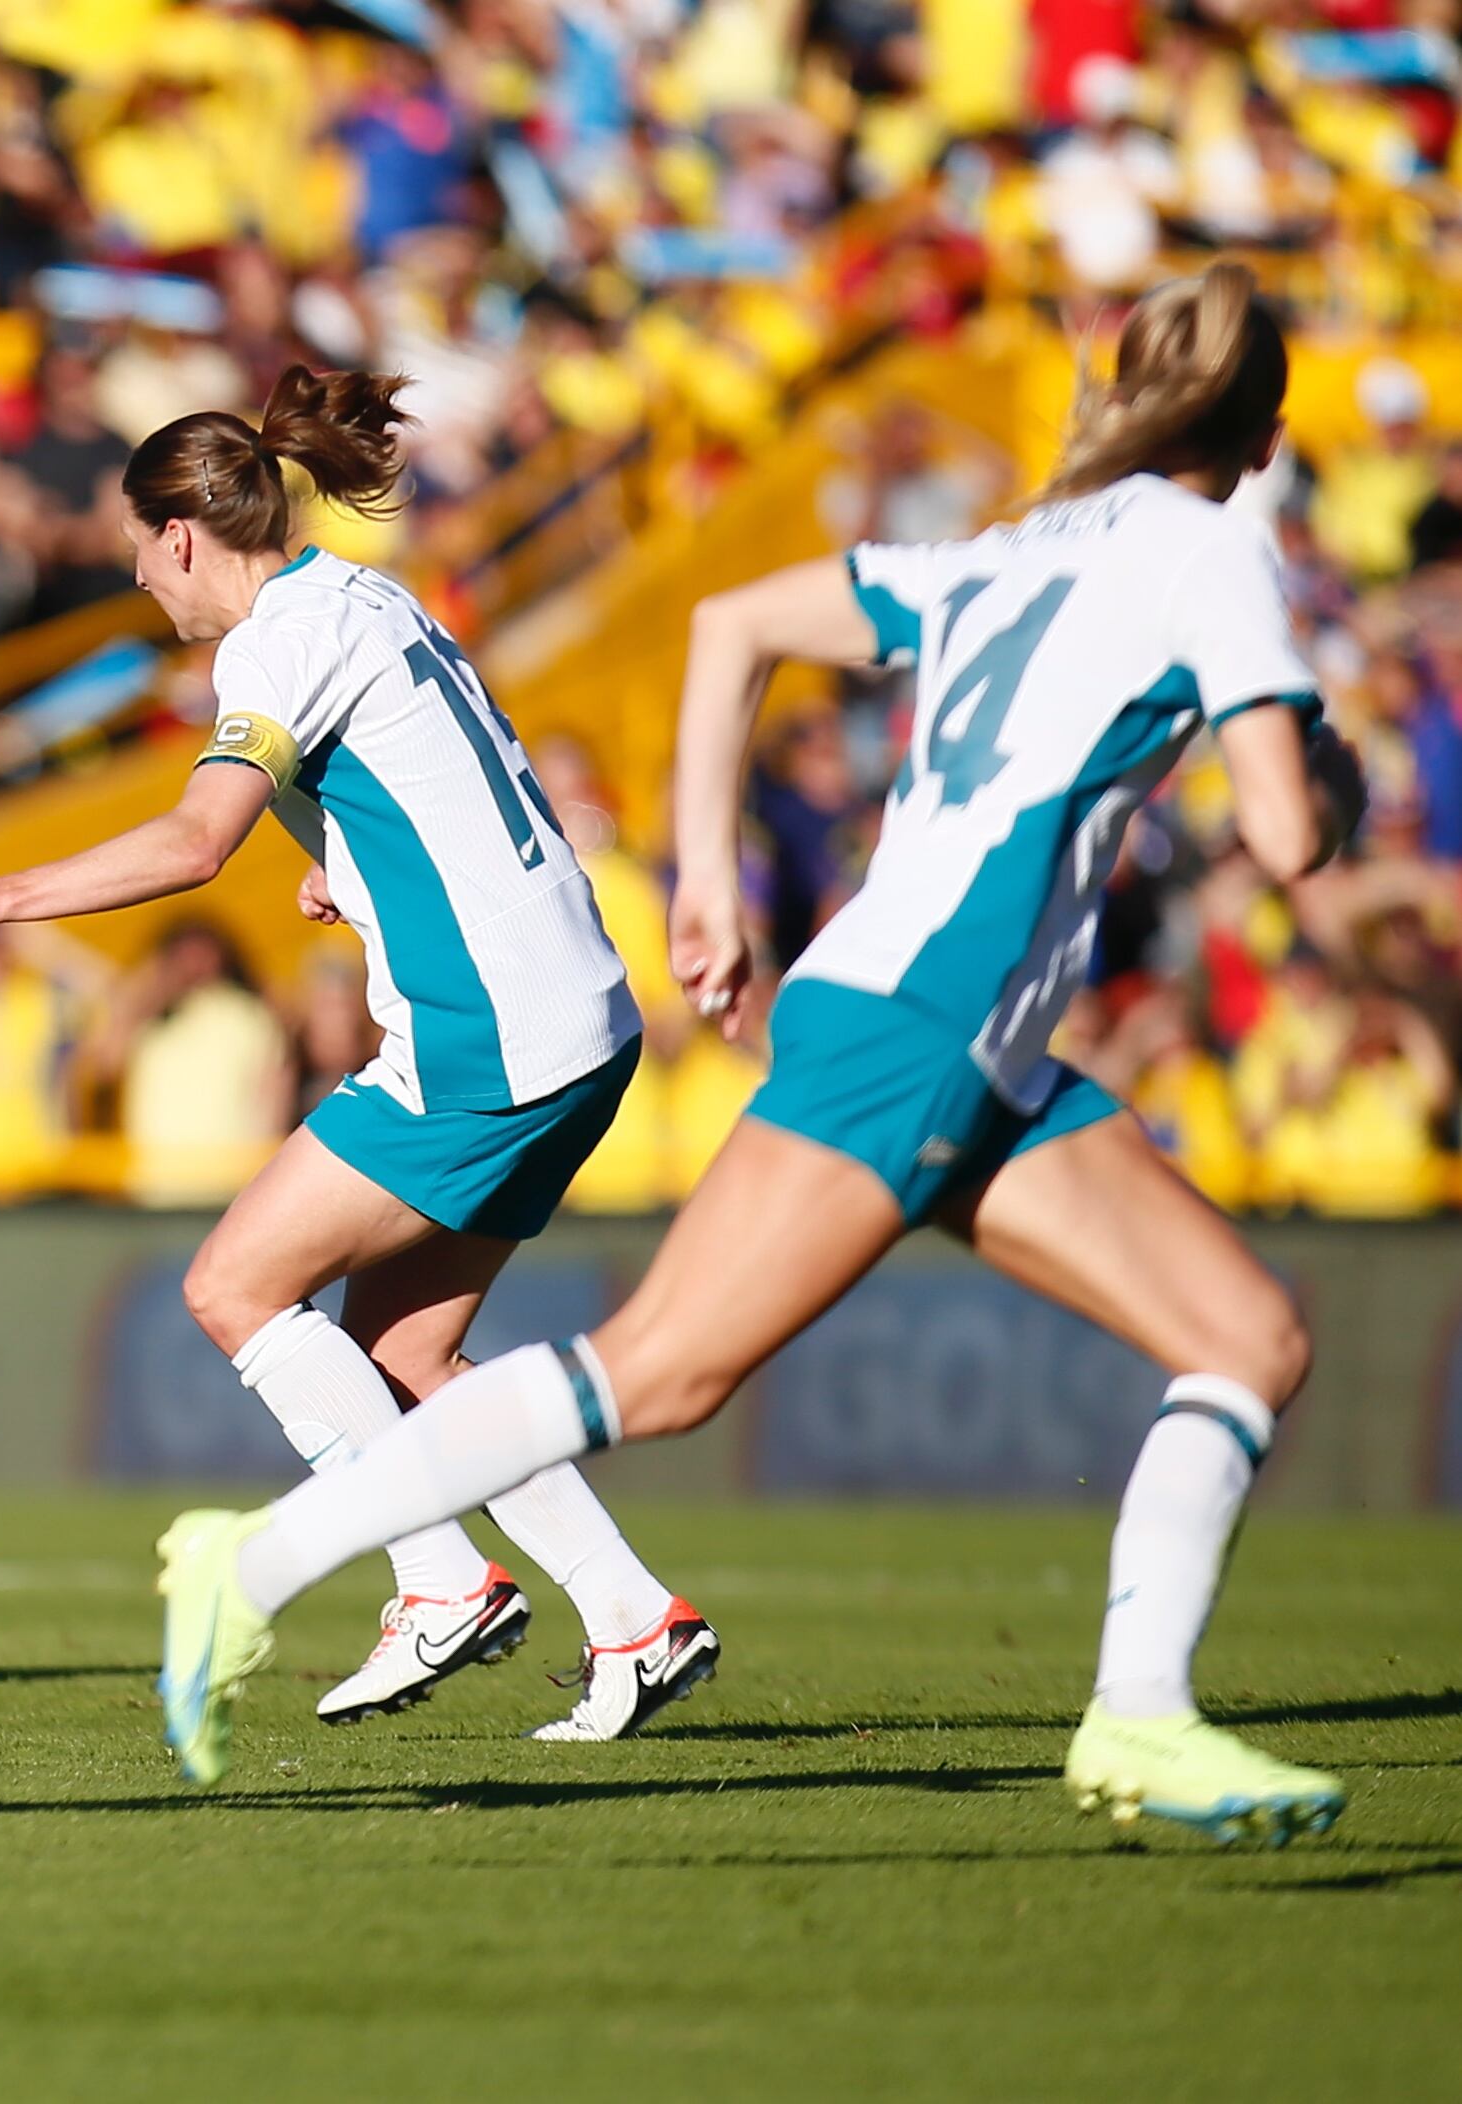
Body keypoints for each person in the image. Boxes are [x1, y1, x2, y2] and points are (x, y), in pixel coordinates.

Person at [152, 264, 1368, 1846]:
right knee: (653, 1374)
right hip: (920, 1026)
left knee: (1246, 1335)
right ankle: (244, 1569)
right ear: (1262, 432)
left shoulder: (1017, 545)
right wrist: (1323, 758)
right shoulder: (1209, 552)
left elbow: (732, 624)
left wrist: (714, 875)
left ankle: (1139, 1718)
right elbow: (1282, 833)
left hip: (958, 1039)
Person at [0, 365, 712, 1740]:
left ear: (179, 535)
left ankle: (431, 1579)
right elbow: (443, 781)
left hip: (488, 1033)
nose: (133, 575)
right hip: (574, 1012)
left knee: (232, 1284)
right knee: (405, 1359)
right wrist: (346, 869)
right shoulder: (368, 594)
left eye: (132, 543)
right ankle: (631, 1618)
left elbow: (189, 845)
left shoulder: (271, 641)